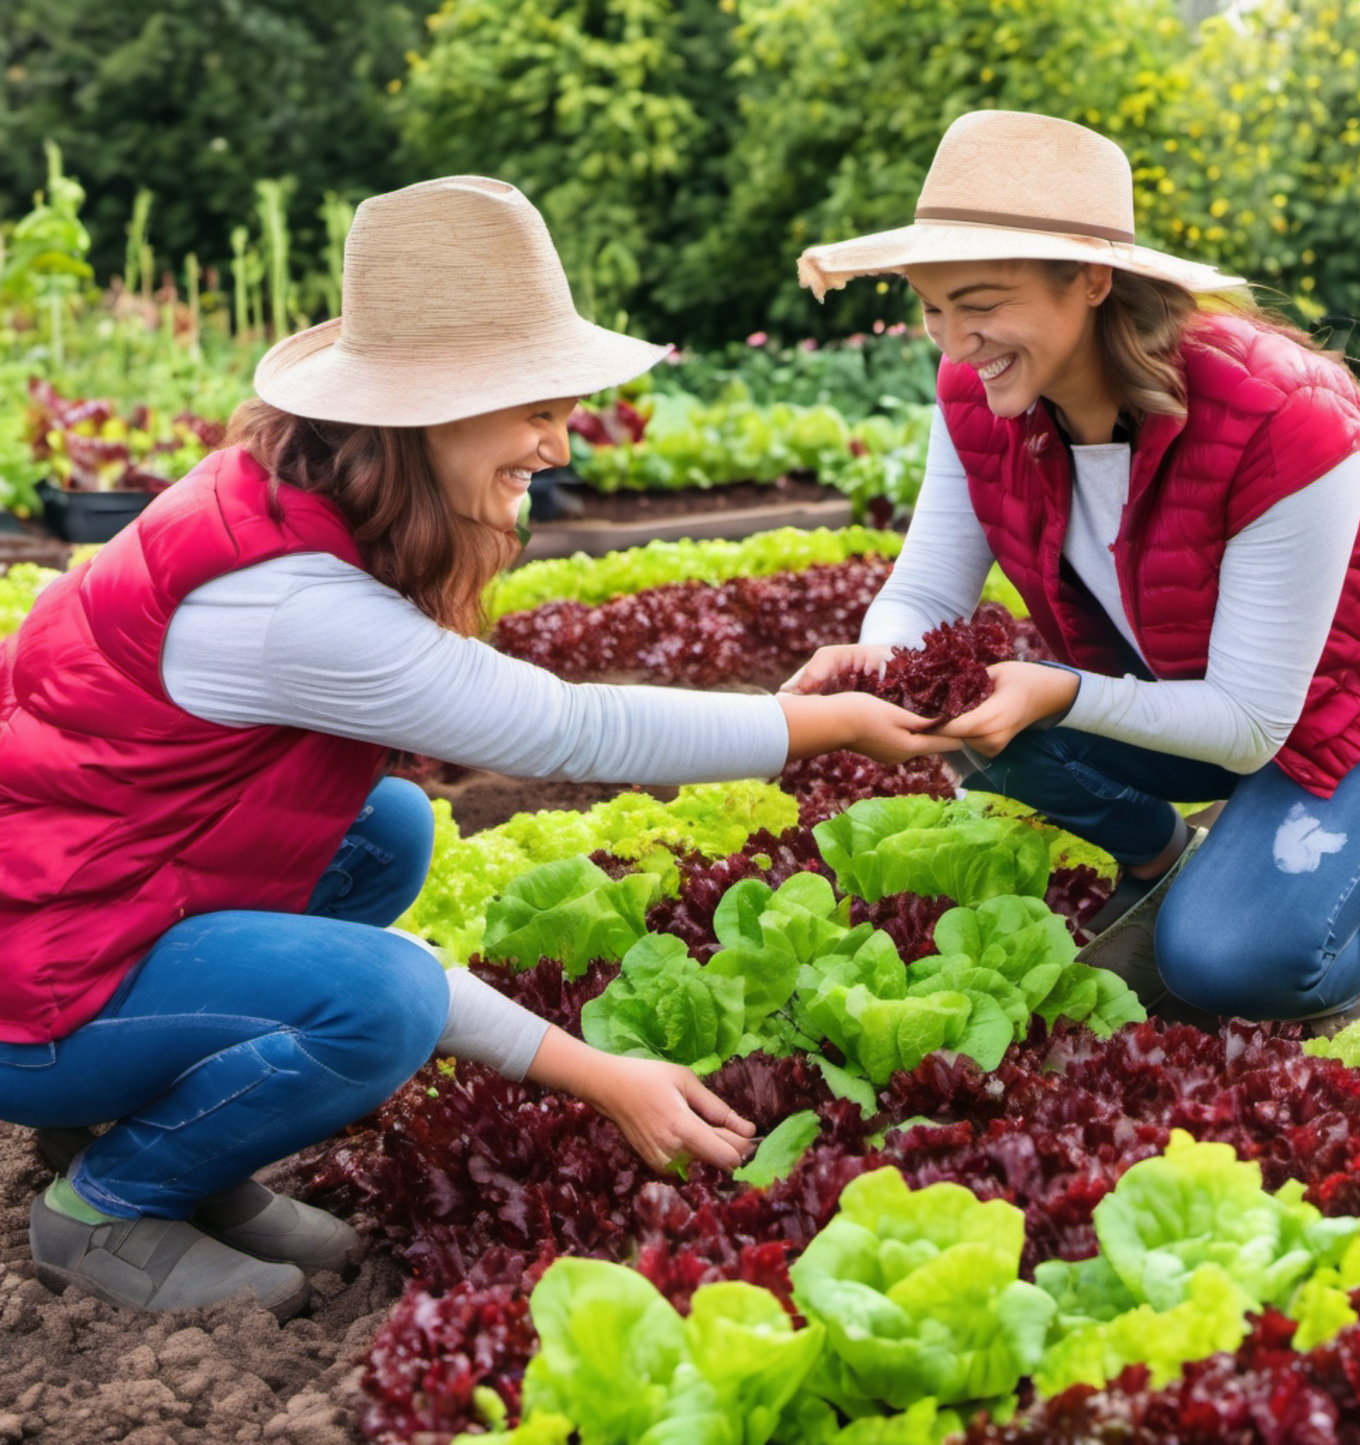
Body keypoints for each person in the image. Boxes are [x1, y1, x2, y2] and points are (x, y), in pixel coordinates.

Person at [0, 176, 955, 1317]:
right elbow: (560, 726)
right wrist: (825, 725)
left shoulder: (286, 502)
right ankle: (107, 1201)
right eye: (532, 407)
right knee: (383, 1000)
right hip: (35, 987)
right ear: (424, 411)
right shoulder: (294, 599)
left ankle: (178, 1145)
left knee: (383, 830)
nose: (557, 442)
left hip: (72, 904)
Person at [785, 110, 1360, 1032]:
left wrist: (1055, 689)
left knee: (1222, 961)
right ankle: (1162, 856)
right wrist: (881, 666)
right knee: (955, 693)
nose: (953, 342)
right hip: (1218, 703)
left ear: (1092, 279)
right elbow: (926, 594)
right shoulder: (979, 395)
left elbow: (1251, 725)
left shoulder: (1280, 413)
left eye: (979, 305)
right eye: (933, 308)